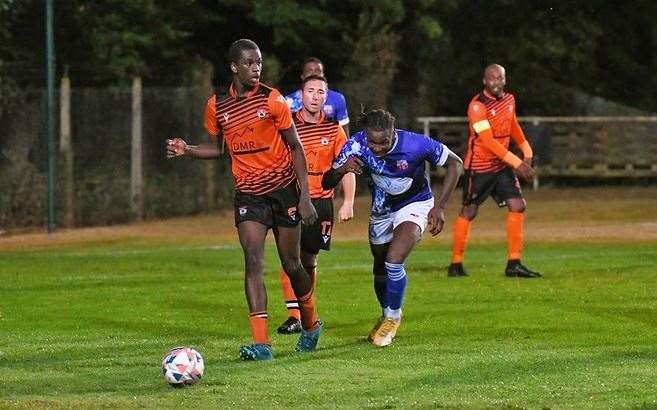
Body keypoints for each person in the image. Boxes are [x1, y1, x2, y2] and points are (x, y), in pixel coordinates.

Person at [166, 39, 322, 361]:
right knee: (253, 260)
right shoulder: (217, 106)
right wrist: (188, 150)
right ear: (234, 67)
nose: (256, 68)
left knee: (292, 264)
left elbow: (296, 147)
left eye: (259, 62)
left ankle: (310, 323)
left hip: (284, 190)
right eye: (250, 63)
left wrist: (305, 196)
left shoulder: (272, 99)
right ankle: (262, 345)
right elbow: (220, 148)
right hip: (249, 194)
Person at [322, 109, 463, 347]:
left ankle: (393, 318)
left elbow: (456, 164)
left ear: (393, 133)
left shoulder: (415, 144)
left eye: (384, 142)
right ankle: (386, 312)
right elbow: (327, 181)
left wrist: (440, 207)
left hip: (415, 203)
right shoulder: (355, 145)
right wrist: (341, 169)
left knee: (394, 259)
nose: (377, 148)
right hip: (381, 208)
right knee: (380, 266)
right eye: (372, 142)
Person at [276, 75, 356, 334]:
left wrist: (349, 201)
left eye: (320, 92)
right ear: (302, 95)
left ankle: (308, 314)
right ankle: (294, 315)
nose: (315, 96)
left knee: (309, 259)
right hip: (292, 198)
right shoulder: (288, 126)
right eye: (310, 91)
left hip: (322, 202)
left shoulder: (334, 130)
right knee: (290, 257)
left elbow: (347, 167)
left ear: (326, 96)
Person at [448, 64, 541, 278]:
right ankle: (456, 263)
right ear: (484, 81)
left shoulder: (509, 100)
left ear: (505, 80)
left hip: (501, 165)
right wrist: (518, 163)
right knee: (469, 211)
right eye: (492, 78)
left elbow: (513, 125)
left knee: (517, 206)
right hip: (479, 166)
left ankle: (514, 263)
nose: (496, 82)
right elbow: (487, 141)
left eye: (500, 78)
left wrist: (527, 151)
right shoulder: (477, 106)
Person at [286, 57, 350, 137]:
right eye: (309, 71)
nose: (313, 74)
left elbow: (344, 134)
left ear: (323, 75)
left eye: (317, 70)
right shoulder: (289, 101)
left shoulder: (337, 98)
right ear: (302, 76)